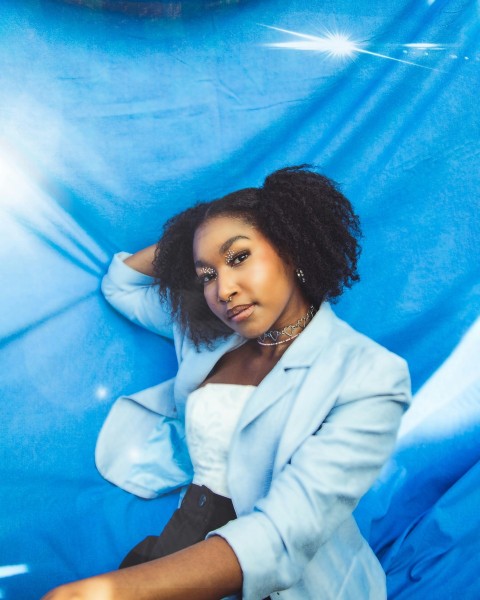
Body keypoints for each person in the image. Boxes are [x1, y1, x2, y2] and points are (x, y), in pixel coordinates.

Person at [42, 166, 411, 600]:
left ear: (291, 247)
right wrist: (194, 244)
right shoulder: (209, 337)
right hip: (182, 542)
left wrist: (106, 592)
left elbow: (280, 536)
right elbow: (122, 284)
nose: (223, 290)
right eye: (207, 276)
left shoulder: (370, 375)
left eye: (238, 258)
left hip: (286, 580)